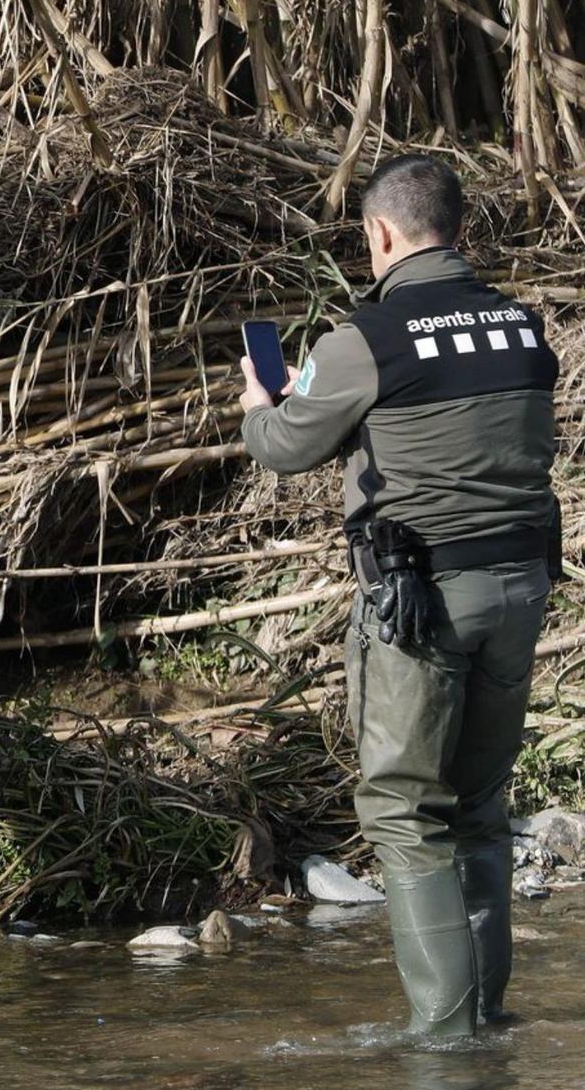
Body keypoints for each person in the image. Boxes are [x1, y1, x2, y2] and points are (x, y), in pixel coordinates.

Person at [238, 155, 559, 1037]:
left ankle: (445, 1039)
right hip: (520, 589)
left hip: (421, 603)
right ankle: (488, 1021)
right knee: (481, 809)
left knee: (402, 810)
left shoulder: (365, 339)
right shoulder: (523, 327)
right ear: (459, 228)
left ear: (380, 234)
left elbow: (285, 445)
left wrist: (256, 400)